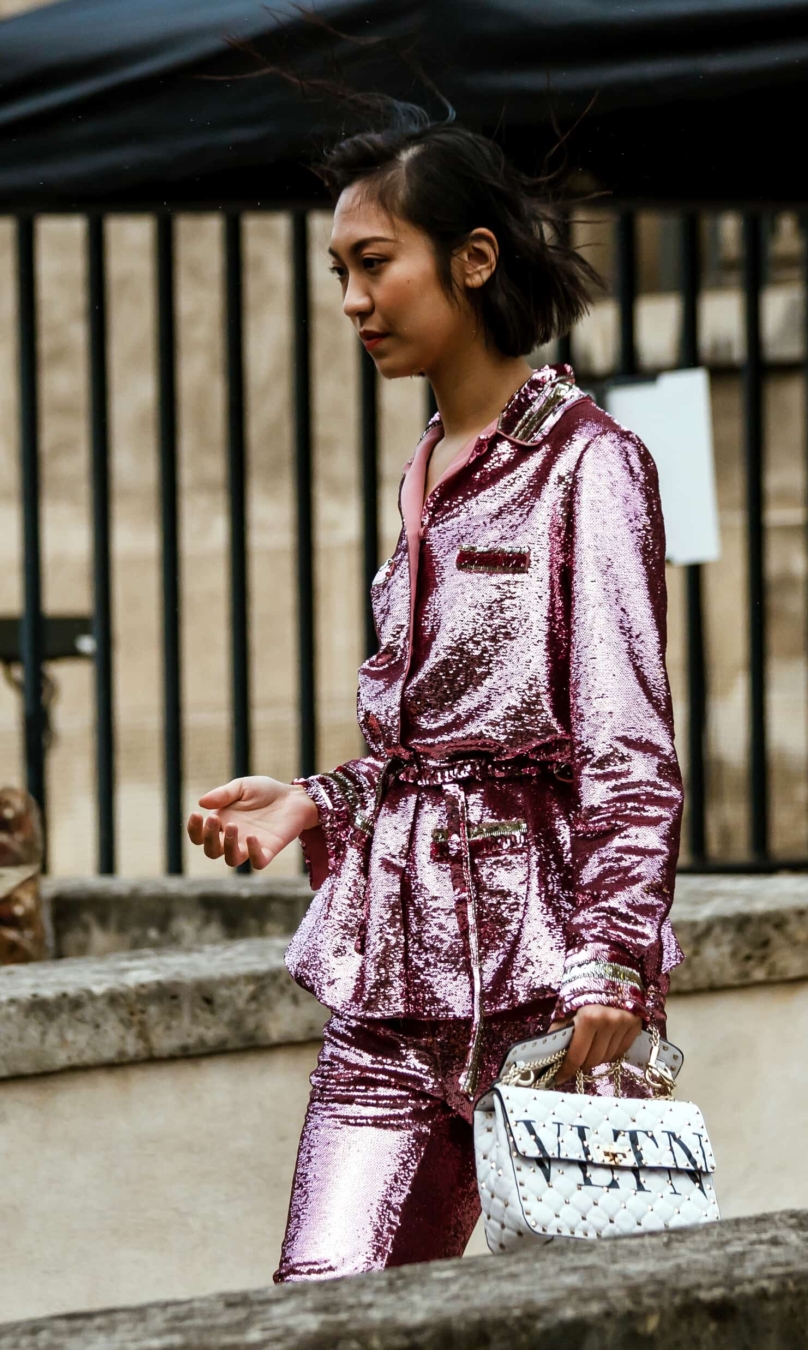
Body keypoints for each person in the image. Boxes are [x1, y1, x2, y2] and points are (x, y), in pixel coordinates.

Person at [186, 105, 685, 1281]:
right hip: (390, 980)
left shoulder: (591, 465)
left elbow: (626, 745)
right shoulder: (420, 469)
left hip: (549, 1004)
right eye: (339, 272)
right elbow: (439, 747)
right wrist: (317, 799)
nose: (352, 299)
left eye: (374, 264)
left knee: (560, 1317)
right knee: (324, 1297)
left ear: (473, 258)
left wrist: (617, 956)